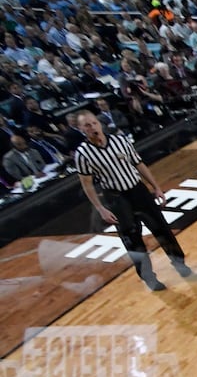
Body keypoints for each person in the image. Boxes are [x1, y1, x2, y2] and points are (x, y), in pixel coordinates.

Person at [72, 111, 190, 291]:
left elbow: (139, 163)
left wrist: (156, 187)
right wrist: (100, 208)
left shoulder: (120, 140)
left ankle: (179, 263)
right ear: (81, 129)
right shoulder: (82, 154)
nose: (92, 127)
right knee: (133, 240)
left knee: (161, 228)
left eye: (94, 123)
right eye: (87, 125)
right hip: (116, 197)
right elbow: (87, 184)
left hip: (138, 190)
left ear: (100, 123)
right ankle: (149, 278)